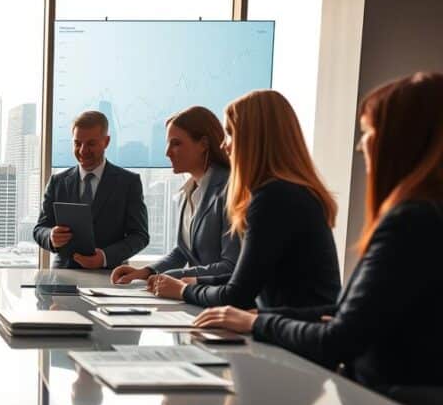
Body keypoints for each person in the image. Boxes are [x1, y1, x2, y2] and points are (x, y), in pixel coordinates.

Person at [194, 73, 443, 388]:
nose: (360, 145)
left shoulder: (410, 222)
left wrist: (256, 322)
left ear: (402, 141)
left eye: (369, 131)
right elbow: (348, 318)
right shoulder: (424, 216)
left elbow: (338, 339)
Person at [148, 90, 341, 309]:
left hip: (294, 337)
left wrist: (184, 290)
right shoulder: (288, 192)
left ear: (255, 138)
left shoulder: (274, 197)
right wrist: (196, 281)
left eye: (230, 134)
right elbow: (249, 277)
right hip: (290, 327)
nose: (223, 145)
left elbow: (237, 294)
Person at [111, 106, 240, 284]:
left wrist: (165, 278)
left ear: (203, 144)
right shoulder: (187, 191)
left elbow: (230, 266)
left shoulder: (230, 189)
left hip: (222, 301)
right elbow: (182, 251)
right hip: (196, 297)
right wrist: (146, 272)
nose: (167, 152)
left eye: (176, 143)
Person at [33, 110, 149, 269]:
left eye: (91, 144)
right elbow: (40, 228)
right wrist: (51, 237)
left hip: (110, 275)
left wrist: (105, 257)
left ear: (106, 141)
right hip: (64, 276)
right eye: (77, 143)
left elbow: (140, 236)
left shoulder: (128, 183)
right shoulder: (57, 181)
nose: (82, 150)